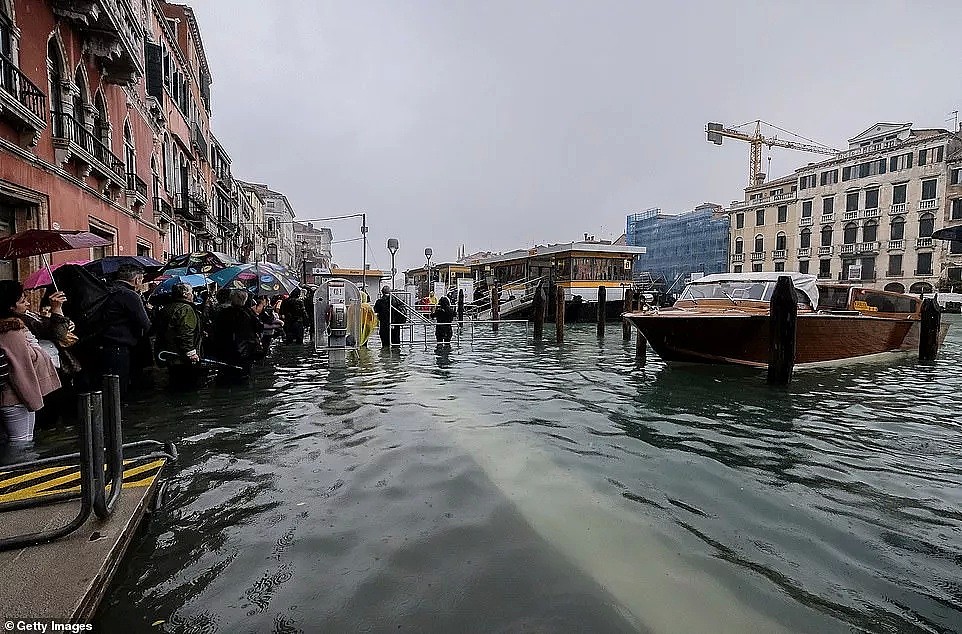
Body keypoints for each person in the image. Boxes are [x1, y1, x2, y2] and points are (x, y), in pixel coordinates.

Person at [0, 280, 61, 444]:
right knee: (21, 443)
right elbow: (21, 372)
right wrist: (33, 402)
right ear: (10, 307)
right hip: (15, 399)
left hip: (15, 398)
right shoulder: (11, 333)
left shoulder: (17, 328)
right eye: (22, 300)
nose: (27, 303)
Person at [78, 264, 150, 399]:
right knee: (116, 391)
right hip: (118, 348)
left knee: (99, 388)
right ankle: (114, 418)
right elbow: (145, 324)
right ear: (137, 280)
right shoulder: (129, 295)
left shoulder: (105, 290)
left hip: (94, 346)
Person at [153, 283, 203, 390]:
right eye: (191, 292)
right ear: (185, 294)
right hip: (182, 357)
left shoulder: (166, 308)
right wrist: (191, 352)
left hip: (168, 355)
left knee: (175, 383)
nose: (193, 295)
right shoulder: (186, 309)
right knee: (187, 386)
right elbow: (185, 332)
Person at [213, 290, 263, 382]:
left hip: (226, 350)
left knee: (226, 375)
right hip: (245, 351)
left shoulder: (223, 313)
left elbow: (216, 330)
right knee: (243, 376)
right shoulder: (248, 313)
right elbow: (259, 327)